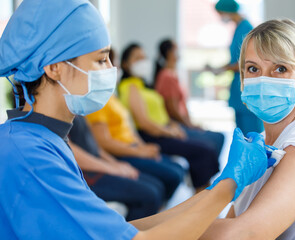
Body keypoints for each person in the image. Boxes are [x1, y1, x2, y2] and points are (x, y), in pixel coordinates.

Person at [0, 0, 272, 238]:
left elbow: (125, 229)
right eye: (100, 60)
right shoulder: (28, 155)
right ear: (54, 68)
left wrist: (213, 189)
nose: (111, 70)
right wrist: (229, 186)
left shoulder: (42, 138)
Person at [199, 19, 295, 240]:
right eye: (253, 68)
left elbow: (241, 234)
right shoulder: (263, 146)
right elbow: (231, 220)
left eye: (280, 68)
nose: (263, 80)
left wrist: (152, 234)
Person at [119, 43, 219, 192]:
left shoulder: (142, 85)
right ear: (125, 64)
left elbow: (159, 114)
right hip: (152, 136)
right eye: (137, 58)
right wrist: (169, 132)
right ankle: (201, 198)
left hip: (162, 131)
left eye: (144, 57)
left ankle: (203, 194)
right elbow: (144, 122)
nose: (143, 61)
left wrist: (172, 125)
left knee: (205, 148)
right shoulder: (130, 86)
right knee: (203, 151)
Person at [85, 95, 184, 200]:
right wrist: (139, 152)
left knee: (178, 168)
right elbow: (103, 142)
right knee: (170, 178)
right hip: (121, 153)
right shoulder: (98, 102)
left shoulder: (113, 98)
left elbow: (129, 131)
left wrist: (143, 147)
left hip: (132, 148)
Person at [69, 115, 165, 221]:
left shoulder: (77, 112)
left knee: (157, 185)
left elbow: (94, 146)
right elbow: (70, 150)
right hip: (84, 176)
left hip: (97, 166)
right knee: (149, 195)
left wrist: (116, 164)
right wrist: (112, 169)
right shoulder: (57, 113)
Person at [154, 39, 225, 159]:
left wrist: (191, 124)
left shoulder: (172, 74)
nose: (178, 52)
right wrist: (189, 126)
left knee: (218, 137)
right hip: (176, 125)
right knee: (216, 139)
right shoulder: (167, 76)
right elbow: (172, 110)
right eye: (176, 49)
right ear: (170, 53)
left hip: (182, 124)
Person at [209, 0, 263, 134]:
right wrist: (221, 68)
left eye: (220, 13)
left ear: (227, 11)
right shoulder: (239, 28)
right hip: (239, 86)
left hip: (247, 86)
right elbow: (237, 59)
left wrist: (223, 69)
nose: (220, 17)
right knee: (242, 132)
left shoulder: (246, 29)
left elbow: (249, 63)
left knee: (252, 134)